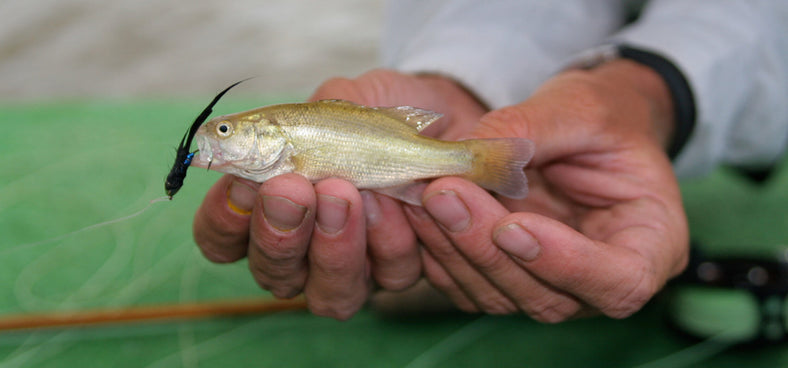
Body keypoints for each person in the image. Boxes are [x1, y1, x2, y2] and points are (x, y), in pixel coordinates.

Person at [191, 0, 788, 321]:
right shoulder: (274, 154)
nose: (216, 141)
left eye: (225, 130)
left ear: (265, 134)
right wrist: (468, 75)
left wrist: (653, 93)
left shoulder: (288, 140)